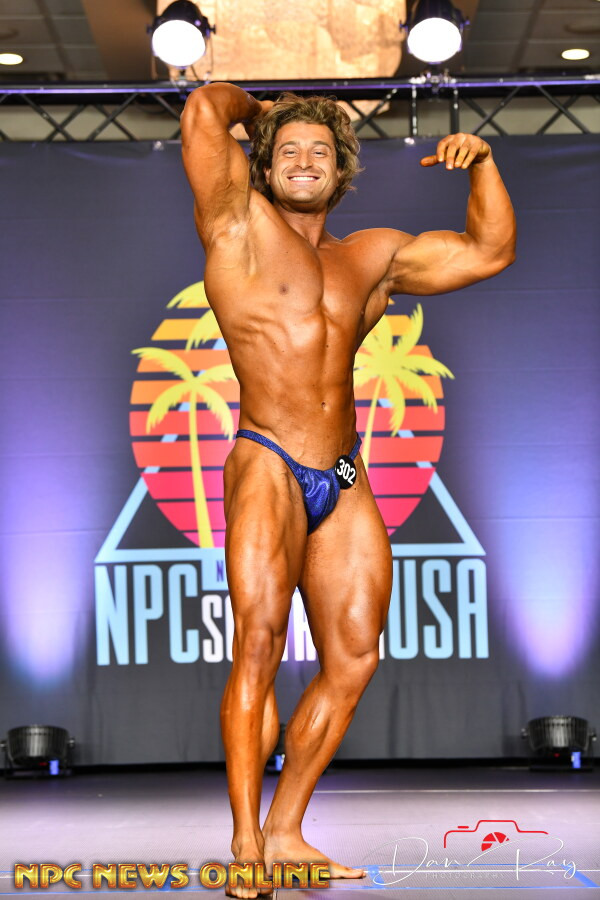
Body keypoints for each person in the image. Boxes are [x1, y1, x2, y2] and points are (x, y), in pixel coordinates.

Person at [181, 84, 516, 898]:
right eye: (290, 150)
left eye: (320, 152)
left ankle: (288, 830)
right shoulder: (236, 224)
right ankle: (246, 843)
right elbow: (202, 112)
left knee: (356, 657)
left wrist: (484, 165)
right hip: (266, 458)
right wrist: (261, 112)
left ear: (341, 172)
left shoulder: (372, 258)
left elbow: (488, 251)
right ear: (265, 166)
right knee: (258, 645)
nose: (305, 161)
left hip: (343, 472)